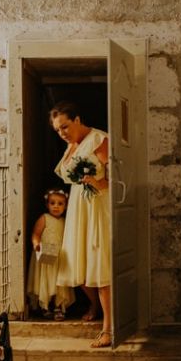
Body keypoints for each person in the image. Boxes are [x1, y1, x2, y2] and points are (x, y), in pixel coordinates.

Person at [51, 101, 112, 348]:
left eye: (64, 126)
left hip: (97, 208)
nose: (62, 132)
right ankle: (94, 304)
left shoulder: (98, 139)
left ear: (77, 119)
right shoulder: (71, 146)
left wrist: (97, 183)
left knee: (100, 264)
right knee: (80, 263)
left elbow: (117, 178)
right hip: (79, 208)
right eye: (57, 130)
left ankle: (109, 328)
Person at [27, 188, 75, 320]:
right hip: (46, 253)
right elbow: (36, 234)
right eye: (52, 203)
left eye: (60, 203)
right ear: (47, 204)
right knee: (46, 280)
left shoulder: (65, 221)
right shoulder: (44, 218)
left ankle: (58, 306)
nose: (56, 206)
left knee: (58, 282)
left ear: (65, 206)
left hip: (59, 256)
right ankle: (44, 306)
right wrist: (36, 244)